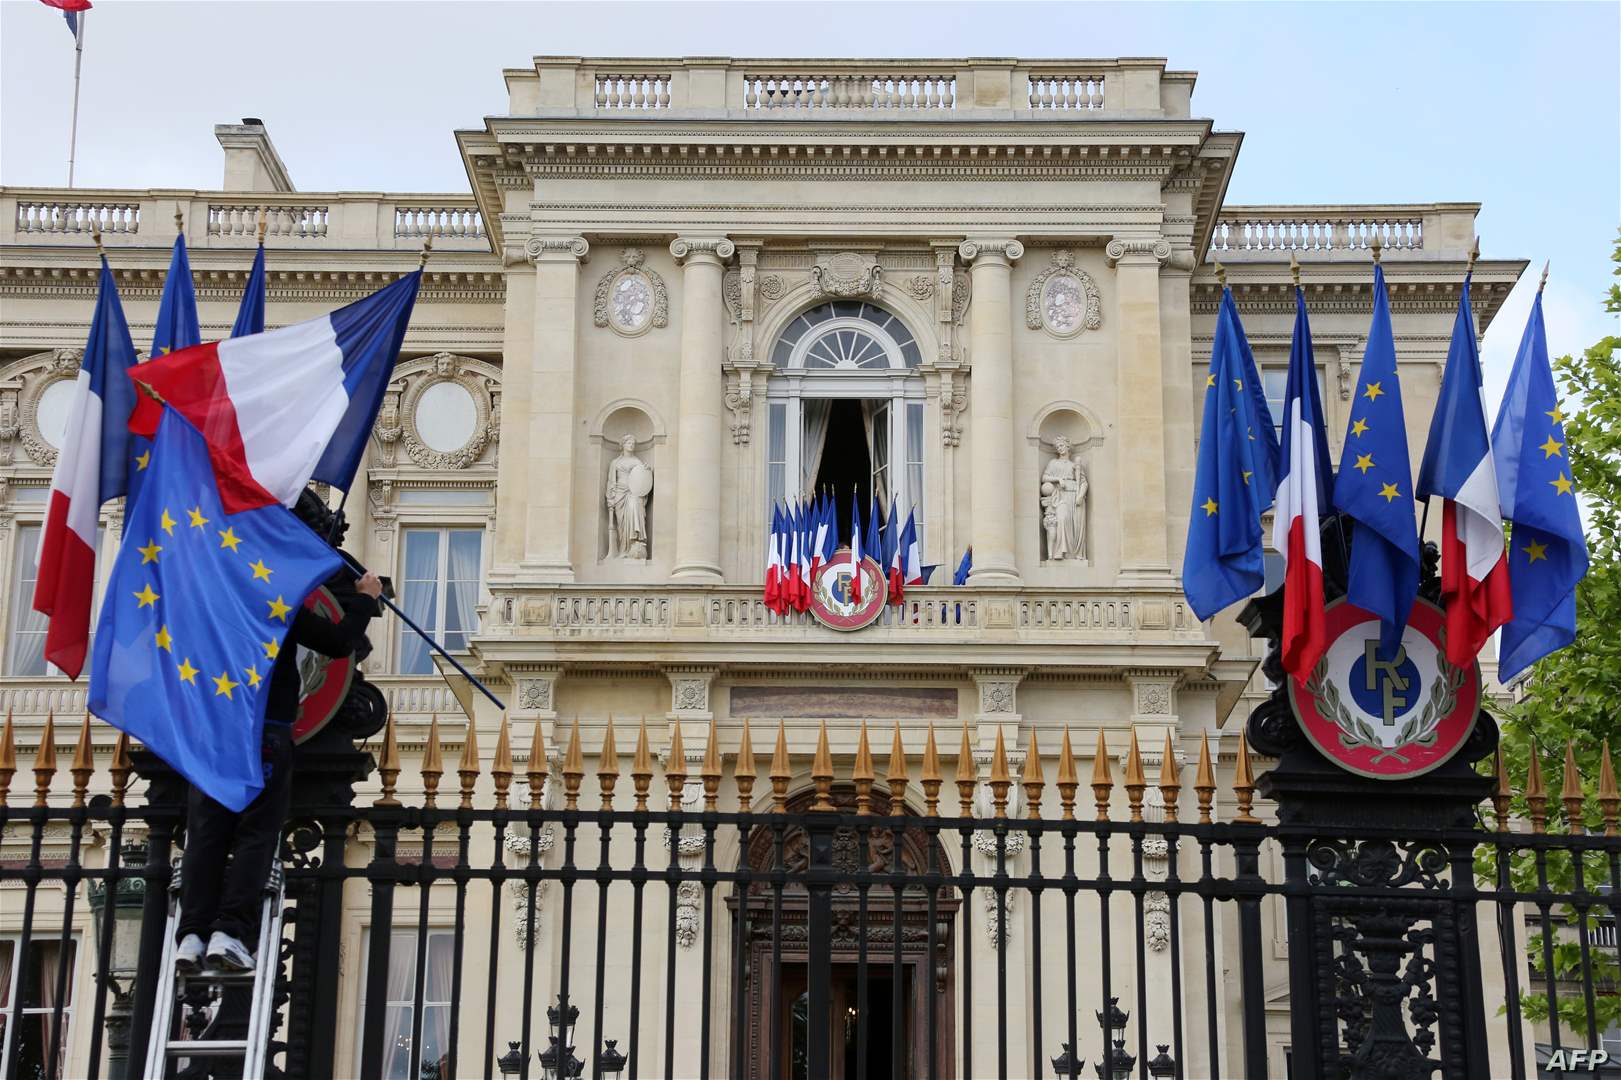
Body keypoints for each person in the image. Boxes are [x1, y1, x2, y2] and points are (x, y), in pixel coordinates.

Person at [174, 492, 384, 972]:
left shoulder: (208, 594)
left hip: (213, 732)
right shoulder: (271, 599)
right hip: (265, 729)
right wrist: (365, 601)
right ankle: (230, 931)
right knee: (255, 833)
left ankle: (190, 936)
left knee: (206, 833)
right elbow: (335, 641)